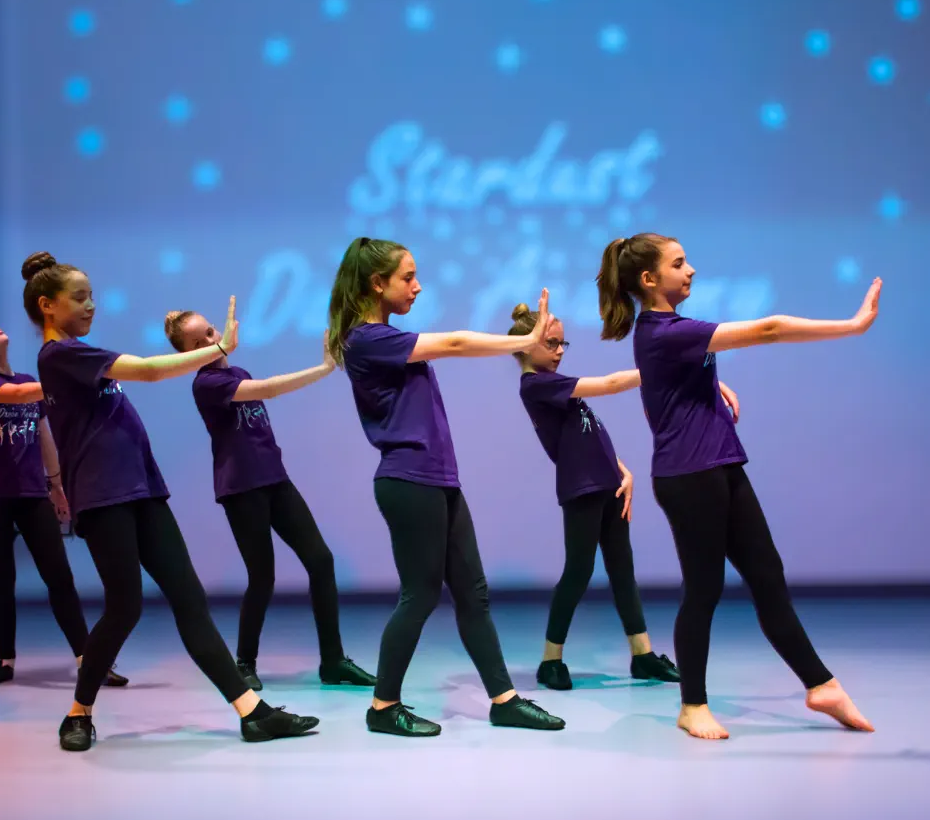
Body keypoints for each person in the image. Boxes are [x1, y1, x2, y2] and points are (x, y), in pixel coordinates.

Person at [23, 252, 320, 751]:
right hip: (103, 496)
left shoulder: (80, 353)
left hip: (142, 490)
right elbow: (151, 371)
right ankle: (79, 711)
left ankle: (252, 712)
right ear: (47, 306)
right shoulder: (60, 356)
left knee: (189, 601)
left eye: (92, 295)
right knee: (124, 608)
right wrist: (218, 347)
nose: (91, 304)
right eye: (80, 297)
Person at [598, 232, 879, 739]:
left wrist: (708, 383)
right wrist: (852, 326)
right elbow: (769, 329)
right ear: (648, 279)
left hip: (722, 464)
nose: (692, 271)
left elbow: (670, 383)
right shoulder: (663, 331)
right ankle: (692, 706)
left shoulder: (672, 332)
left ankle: (821, 685)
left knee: (768, 574)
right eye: (679, 264)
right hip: (690, 475)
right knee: (703, 589)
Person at [327, 236, 566, 737]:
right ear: (378, 283)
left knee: (472, 593)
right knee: (418, 595)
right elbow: (456, 343)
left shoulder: (384, 337)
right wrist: (523, 342)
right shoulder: (368, 339)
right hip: (408, 480)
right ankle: (382, 707)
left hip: (436, 479)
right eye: (407, 277)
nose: (418, 286)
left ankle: (503, 700)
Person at [163, 311, 374, 691]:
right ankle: (244, 662)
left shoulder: (238, 373)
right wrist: (324, 368)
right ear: (188, 355)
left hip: (275, 480)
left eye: (211, 331)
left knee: (321, 561)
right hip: (242, 489)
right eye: (200, 342)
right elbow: (271, 389)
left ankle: (334, 661)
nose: (213, 340)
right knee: (262, 577)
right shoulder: (207, 384)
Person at [507, 301, 689, 689]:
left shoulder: (554, 384)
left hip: (608, 485)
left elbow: (586, 433)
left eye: (562, 344)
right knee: (578, 572)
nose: (559, 351)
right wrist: (659, 369)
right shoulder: (537, 385)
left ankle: (642, 656)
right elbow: (608, 385)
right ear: (525, 347)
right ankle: (550, 661)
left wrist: (623, 470)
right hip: (582, 489)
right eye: (551, 343)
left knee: (623, 571)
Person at [0, 320, 128, 689]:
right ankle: (5, 660)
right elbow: (22, 396)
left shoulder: (27, 378)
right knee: (1, 580)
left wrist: (57, 486)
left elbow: (44, 435)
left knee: (59, 576)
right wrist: (74, 379)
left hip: (32, 494)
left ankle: (87, 660)